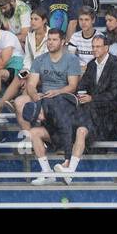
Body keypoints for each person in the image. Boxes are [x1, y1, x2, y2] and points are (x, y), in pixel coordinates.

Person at [56, 31, 117, 177]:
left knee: (79, 125)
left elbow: (116, 94)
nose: (95, 50)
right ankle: (69, 168)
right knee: (80, 129)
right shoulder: (91, 65)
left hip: (109, 113)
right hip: (91, 111)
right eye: (93, 47)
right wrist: (81, 95)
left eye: (98, 47)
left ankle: (67, 159)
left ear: (106, 48)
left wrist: (92, 98)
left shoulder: (115, 65)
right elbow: (82, 85)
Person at [18, 29, 83, 182]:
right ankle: (46, 171)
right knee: (21, 103)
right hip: (45, 99)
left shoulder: (71, 59)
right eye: (49, 40)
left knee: (52, 102)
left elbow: (72, 86)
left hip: (64, 99)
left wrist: (57, 92)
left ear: (62, 42)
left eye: (54, 40)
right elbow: (32, 85)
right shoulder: (40, 59)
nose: (50, 42)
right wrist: (36, 97)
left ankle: (66, 154)